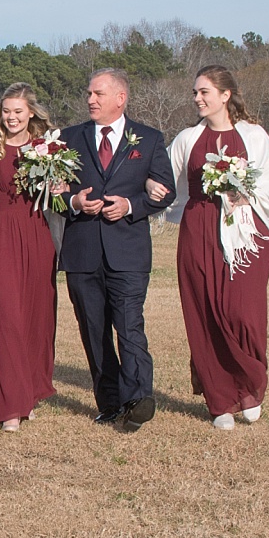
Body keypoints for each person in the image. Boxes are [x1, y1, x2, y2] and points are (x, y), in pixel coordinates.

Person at [146, 65, 269, 430]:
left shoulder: (253, 136)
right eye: (195, 92)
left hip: (246, 236)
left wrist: (245, 194)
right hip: (199, 231)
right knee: (205, 312)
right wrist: (151, 187)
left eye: (204, 92)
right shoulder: (188, 138)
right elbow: (161, 172)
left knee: (244, 314)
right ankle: (220, 400)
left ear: (225, 95)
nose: (197, 98)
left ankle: (250, 384)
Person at [59, 68, 175, 431]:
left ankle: (138, 399)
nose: (90, 100)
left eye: (98, 94)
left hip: (127, 251)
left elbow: (165, 192)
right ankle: (108, 403)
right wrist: (75, 200)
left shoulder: (151, 139)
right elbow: (53, 192)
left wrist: (131, 206)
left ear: (120, 98)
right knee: (94, 331)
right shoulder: (68, 138)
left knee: (129, 326)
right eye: (89, 93)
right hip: (82, 253)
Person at [0, 83, 59, 432]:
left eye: (18, 112)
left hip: (36, 234)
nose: (11, 117)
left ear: (31, 113)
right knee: (4, 316)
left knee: (35, 317)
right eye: (6, 111)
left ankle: (29, 392)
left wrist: (59, 187)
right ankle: (9, 403)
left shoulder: (47, 149)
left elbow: (59, 196)